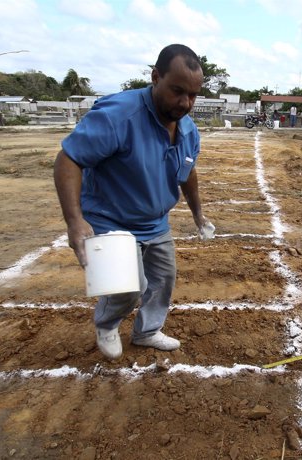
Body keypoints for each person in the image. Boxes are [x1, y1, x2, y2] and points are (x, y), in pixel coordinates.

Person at [53, 44, 215, 360]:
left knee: (162, 281)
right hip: (109, 219)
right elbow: (68, 159)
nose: (185, 103)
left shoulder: (187, 129)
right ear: (156, 77)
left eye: (193, 95)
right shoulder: (119, 116)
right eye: (177, 91)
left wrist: (198, 215)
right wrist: (74, 220)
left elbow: (186, 171)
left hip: (155, 222)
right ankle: (106, 323)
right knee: (128, 289)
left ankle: (147, 331)